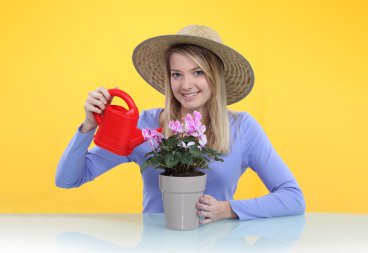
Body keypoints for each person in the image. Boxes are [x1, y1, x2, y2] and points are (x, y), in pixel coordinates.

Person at [56, 25, 305, 224]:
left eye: (198, 72)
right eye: (177, 74)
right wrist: (88, 126)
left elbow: (293, 198)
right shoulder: (144, 125)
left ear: (215, 77)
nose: (185, 85)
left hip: (216, 244)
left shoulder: (242, 128)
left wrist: (228, 209)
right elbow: (69, 179)